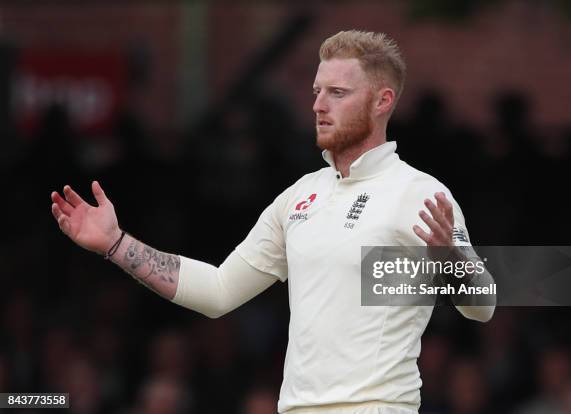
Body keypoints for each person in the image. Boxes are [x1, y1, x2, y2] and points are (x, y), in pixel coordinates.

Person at [51, 30, 495, 414]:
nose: (319, 105)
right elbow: (219, 291)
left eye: (338, 93)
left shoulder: (420, 193)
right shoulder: (300, 196)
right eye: (317, 92)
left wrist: (450, 259)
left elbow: (483, 305)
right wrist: (116, 243)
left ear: (383, 101)